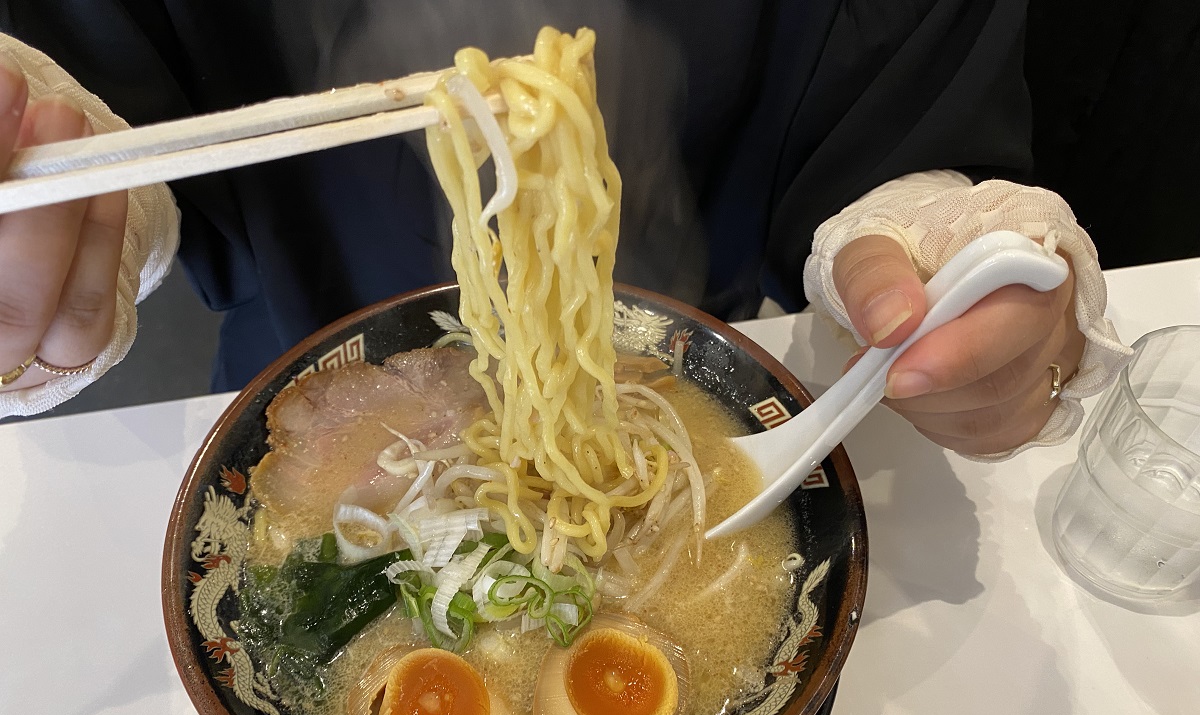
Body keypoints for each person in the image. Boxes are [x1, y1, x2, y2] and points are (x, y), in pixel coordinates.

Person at [0, 0, 1131, 456]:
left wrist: (921, 229)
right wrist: (68, 189)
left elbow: (897, 88)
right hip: (307, 383)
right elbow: (107, 94)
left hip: (687, 378)